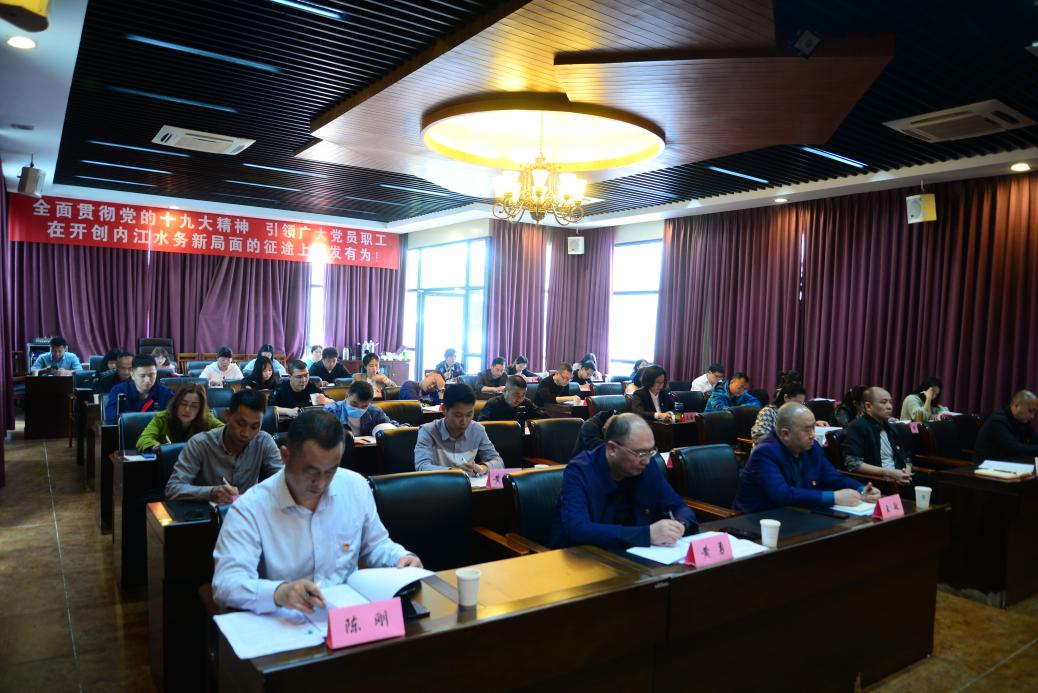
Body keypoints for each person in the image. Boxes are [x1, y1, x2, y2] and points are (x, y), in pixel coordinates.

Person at [212, 409, 422, 613]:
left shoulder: (354, 486)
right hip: (285, 617)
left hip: (347, 613)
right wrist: (279, 592)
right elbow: (226, 583)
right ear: (285, 456)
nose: (320, 483)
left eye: (330, 471)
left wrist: (400, 558)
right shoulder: (250, 508)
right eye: (310, 471)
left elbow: (375, 544)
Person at [548, 413, 698, 549]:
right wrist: (646, 534)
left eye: (651, 451)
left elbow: (678, 506)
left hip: (636, 554)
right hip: (585, 558)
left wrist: (680, 525)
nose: (646, 460)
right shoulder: (580, 471)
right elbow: (578, 529)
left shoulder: (647, 465)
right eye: (640, 453)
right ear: (612, 449)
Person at [734, 403, 881, 514]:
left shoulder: (812, 448)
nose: (813, 435)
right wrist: (834, 497)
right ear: (785, 434)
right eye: (807, 430)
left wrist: (861, 490)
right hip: (761, 519)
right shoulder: (765, 453)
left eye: (813, 428)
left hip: (799, 513)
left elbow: (834, 477)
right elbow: (782, 495)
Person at [165, 389, 282, 502]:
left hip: (248, 512)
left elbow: (283, 481)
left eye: (254, 427)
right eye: (240, 424)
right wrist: (211, 492)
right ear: (227, 415)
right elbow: (172, 489)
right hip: (208, 512)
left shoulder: (263, 441)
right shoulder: (200, 444)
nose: (246, 433)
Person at [414, 383, 503, 475]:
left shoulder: (477, 430)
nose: (464, 421)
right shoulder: (428, 431)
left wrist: (482, 468)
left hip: (470, 483)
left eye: (469, 414)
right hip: (438, 483)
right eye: (458, 415)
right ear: (444, 409)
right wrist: (455, 472)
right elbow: (421, 466)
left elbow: (498, 462)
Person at [842, 387, 914, 488]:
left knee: (930, 482)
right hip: (878, 481)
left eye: (890, 402)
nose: (889, 407)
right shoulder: (857, 426)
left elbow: (906, 456)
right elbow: (853, 463)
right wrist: (889, 473)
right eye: (883, 402)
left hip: (899, 476)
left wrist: (907, 473)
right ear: (868, 406)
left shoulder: (891, 427)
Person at [135, 384, 224, 452]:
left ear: (200, 409)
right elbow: (144, 439)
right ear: (176, 403)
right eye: (183, 403)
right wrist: (159, 449)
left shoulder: (207, 419)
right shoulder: (161, 418)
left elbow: (226, 432)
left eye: (194, 406)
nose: (187, 409)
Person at [104, 355, 174, 423]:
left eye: (151, 375)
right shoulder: (118, 391)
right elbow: (111, 417)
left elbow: (173, 419)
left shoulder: (166, 393)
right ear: (132, 374)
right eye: (142, 376)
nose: (147, 380)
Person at [973, 390, 1038, 463]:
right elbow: (1015, 448)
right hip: (987, 464)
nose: (1032, 416)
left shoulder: (1022, 420)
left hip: (1008, 461)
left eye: (1035, 412)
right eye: (1030, 411)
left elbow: (1035, 439)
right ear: (1017, 405)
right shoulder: (998, 421)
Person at [324, 381, 400, 437]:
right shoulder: (331, 411)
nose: (358, 408)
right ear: (347, 396)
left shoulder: (375, 412)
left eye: (364, 406)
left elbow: (390, 425)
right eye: (354, 404)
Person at [478, 376, 547, 428]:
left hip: (521, 439)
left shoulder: (526, 403)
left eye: (523, 395)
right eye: (516, 394)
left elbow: (543, 417)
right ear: (505, 391)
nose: (520, 399)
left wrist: (530, 423)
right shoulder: (493, 403)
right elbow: (482, 425)